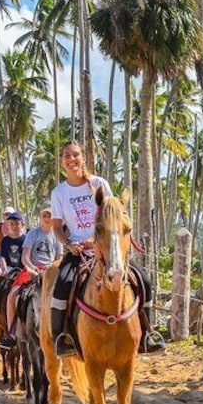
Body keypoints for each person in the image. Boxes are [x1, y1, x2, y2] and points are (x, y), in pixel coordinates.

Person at [49, 141, 164, 356]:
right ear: (62, 160)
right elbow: (56, 227)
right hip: (78, 252)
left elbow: (114, 215)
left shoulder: (99, 183)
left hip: (106, 248)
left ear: (83, 158)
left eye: (75, 155)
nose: (71, 159)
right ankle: (61, 338)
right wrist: (68, 244)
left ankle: (147, 335)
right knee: (62, 283)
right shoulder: (59, 193)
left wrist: (99, 241)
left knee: (144, 281)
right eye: (67, 155)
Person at [0, 202, 63, 351]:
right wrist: (31, 268)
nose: (47, 218)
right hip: (32, 269)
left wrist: (51, 268)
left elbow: (59, 257)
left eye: (50, 215)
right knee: (12, 296)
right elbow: (25, 257)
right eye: (44, 215)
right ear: (40, 216)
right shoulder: (32, 234)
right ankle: (12, 334)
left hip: (51, 270)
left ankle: (63, 334)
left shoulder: (56, 235)